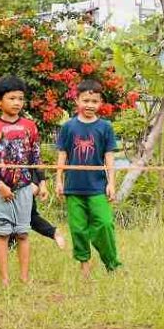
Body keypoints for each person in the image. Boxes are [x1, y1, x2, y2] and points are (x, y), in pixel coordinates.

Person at [0, 75, 48, 286]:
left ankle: (24, 279)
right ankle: (5, 281)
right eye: (11, 98)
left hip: (25, 188)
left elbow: (36, 157)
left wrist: (42, 182)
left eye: (20, 98)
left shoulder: (30, 126)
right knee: (2, 233)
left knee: (23, 233)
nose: (17, 102)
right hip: (0, 190)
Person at [55, 79, 121, 277]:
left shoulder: (105, 127)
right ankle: (84, 267)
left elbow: (109, 157)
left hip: (97, 187)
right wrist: (59, 180)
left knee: (105, 223)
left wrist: (111, 183)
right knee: (78, 228)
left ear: (100, 103)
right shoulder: (68, 127)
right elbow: (62, 155)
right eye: (86, 100)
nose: (90, 105)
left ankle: (112, 264)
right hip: (73, 187)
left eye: (94, 101)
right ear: (77, 101)